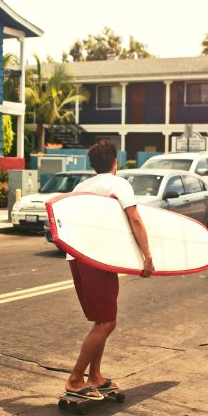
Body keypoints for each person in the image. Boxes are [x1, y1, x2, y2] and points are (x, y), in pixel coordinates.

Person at [64, 140, 154, 400]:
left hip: (78, 256)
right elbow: (134, 219)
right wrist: (147, 255)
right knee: (107, 322)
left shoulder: (81, 187)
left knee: (100, 320)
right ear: (115, 162)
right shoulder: (118, 184)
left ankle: (95, 376)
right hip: (97, 258)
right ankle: (75, 378)